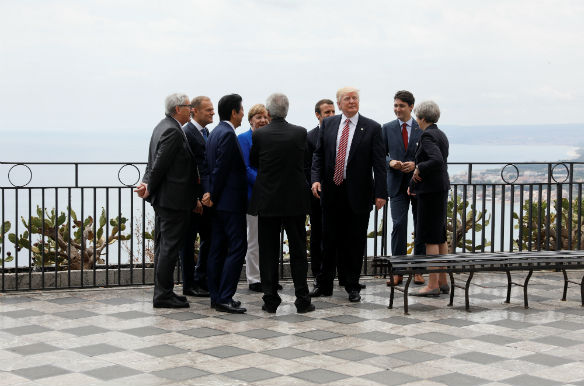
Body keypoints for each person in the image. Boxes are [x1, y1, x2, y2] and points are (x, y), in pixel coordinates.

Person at [311, 87, 387, 302]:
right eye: (347, 98)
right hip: (331, 192)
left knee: (354, 241)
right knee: (328, 239)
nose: (352, 101)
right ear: (339, 103)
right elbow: (318, 155)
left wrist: (381, 193)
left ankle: (351, 285)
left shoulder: (372, 128)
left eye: (355, 98)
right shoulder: (328, 124)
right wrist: (315, 179)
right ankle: (324, 284)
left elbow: (379, 164)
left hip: (359, 194)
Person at [249, 93, 314, 313]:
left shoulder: (260, 135)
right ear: (287, 110)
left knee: (268, 251)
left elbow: (253, 161)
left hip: (268, 200)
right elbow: (305, 161)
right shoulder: (300, 133)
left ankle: (270, 299)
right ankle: (303, 299)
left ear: (268, 113)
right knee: (298, 250)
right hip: (295, 200)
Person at [135, 93, 199, 308]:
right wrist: (149, 186)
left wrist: (146, 184)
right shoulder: (172, 130)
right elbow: (159, 164)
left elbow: (151, 163)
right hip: (173, 201)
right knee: (169, 248)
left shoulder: (162, 126)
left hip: (165, 200)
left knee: (164, 247)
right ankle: (163, 295)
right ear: (177, 109)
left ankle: (165, 291)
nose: (191, 109)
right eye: (188, 106)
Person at [202, 94, 248, 313]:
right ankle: (225, 296)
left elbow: (209, 167)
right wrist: (213, 193)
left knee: (217, 249)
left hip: (218, 204)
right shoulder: (228, 134)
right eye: (241, 110)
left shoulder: (214, 133)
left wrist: (210, 194)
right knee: (238, 247)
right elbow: (221, 169)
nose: (243, 114)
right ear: (233, 112)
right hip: (229, 202)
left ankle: (216, 296)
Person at [382, 90, 426, 286]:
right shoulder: (387, 128)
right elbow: (380, 154)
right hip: (396, 185)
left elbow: (428, 155)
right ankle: (398, 270)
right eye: (395, 105)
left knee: (420, 226)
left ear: (411, 107)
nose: (397, 109)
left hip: (419, 184)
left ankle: (419, 270)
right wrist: (390, 162)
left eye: (401, 106)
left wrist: (415, 165)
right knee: (398, 225)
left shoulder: (421, 127)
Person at [408, 100, 451, 297]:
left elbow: (435, 160)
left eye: (417, 116)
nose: (416, 119)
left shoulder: (426, 135)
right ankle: (443, 280)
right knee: (440, 235)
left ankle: (432, 284)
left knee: (430, 237)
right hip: (440, 189)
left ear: (422, 118)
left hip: (431, 192)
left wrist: (419, 167)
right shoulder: (440, 134)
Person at [179, 96, 214, 298]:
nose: (212, 113)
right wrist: (195, 199)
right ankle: (189, 284)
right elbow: (188, 170)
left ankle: (201, 279)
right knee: (188, 241)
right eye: (208, 110)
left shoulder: (205, 132)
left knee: (207, 239)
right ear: (194, 111)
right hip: (195, 200)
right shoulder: (187, 133)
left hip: (206, 198)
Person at [237, 104, 269, 292]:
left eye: (265, 117)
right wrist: (265, 183)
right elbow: (245, 168)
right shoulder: (243, 139)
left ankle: (268, 277)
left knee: (269, 240)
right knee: (254, 240)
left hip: (271, 197)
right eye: (258, 117)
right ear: (250, 120)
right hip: (253, 196)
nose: (263, 120)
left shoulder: (270, 137)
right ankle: (254, 278)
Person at [305, 99, 335, 280]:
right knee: (317, 233)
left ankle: (336, 271)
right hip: (316, 194)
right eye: (327, 113)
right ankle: (317, 272)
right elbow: (307, 166)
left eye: (333, 111)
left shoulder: (342, 133)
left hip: (338, 193)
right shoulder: (309, 137)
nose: (331, 115)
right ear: (318, 115)